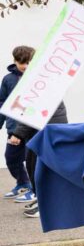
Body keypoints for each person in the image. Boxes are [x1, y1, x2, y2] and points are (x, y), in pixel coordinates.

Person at [0, 46, 34, 203]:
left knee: (33, 160)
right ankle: (23, 183)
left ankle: (35, 190)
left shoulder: (37, 77)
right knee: (11, 158)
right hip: (14, 128)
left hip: (32, 128)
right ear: (15, 61)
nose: (26, 66)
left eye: (28, 62)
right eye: (22, 63)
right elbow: (2, 102)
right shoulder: (8, 80)